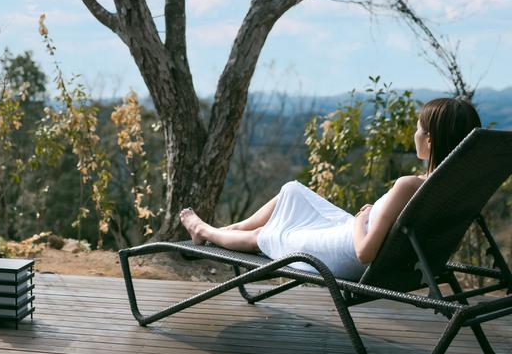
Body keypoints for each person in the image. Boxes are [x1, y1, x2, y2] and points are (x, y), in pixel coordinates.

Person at [180, 97, 482, 279]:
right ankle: (229, 230)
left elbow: (365, 253)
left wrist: (363, 219)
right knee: (293, 192)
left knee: (265, 236)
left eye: (418, 128)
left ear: (429, 140)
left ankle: (205, 231)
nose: (415, 134)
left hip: (345, 251)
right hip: (360, 241)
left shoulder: (409, 185)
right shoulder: (457, 188)